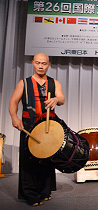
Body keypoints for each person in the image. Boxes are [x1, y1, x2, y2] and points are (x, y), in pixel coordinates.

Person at [9, 52, 65, 206]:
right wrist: (14, 117)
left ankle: (45, 191)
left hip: (49, 125)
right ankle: (30, 194)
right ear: (33, 63)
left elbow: (62, 99)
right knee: (29, 160)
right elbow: (13, 101)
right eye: (38, 63)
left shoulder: (54, 83)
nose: (41, 66)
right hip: (29, 125)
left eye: (44, 63)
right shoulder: (24, 83)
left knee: (47, 158)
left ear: (49, 64)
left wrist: (55, 99)